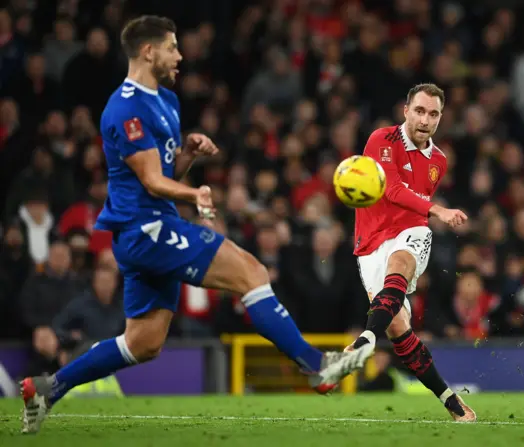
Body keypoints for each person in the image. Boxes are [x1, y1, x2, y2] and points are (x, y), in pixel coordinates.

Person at [20, 15, 373, 434]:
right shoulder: (124, 108)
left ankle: (47, 388)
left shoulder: (166, 100)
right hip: (144, 229)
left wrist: (187, 154)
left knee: (143, 343)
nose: (180, 55)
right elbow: (151, 182)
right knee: (253, 273)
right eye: (172, 47)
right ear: (148, 51)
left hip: (148, 229)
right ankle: (317, 367)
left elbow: (163, 171)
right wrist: (195, 195)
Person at [347, 83, 476, 422]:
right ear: (406, 111)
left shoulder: (439, 161)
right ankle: (449, 398)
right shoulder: (381, 140)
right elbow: (390, 188)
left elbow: (414, 206)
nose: (425, 119)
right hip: (371, 241)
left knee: (402, 263)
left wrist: (430, 215)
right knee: (398, 327)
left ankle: (364, 340)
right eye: (419, 111)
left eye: (433, 114)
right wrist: (439, 209)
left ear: (440, 118)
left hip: (412, 231)